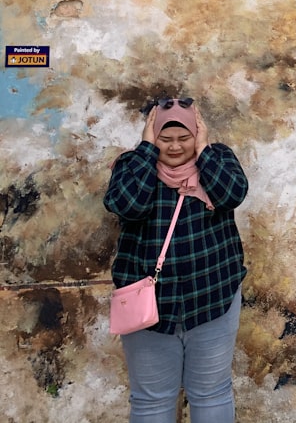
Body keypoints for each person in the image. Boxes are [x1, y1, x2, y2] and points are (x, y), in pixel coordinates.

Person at [104, 97, 248, 423]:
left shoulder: (218, 159)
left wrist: (204, 149)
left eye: (183, 138)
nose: (174, 147)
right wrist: (145, 150)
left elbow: (231, 194)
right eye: (164, 139)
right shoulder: (132, 166)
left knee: (211, 392)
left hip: (212, 299)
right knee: (152, 401)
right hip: (149, 309)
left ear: (197, 133)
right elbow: (128, 205)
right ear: (151, 135)